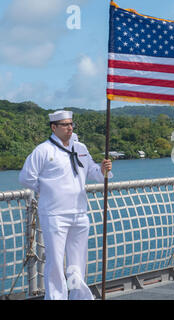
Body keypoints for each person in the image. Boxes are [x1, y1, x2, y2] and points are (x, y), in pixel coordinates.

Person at [19, 110, 112, 300]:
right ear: (54, 127)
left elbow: (93, 172)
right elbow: (26, 177)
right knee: (54, 261)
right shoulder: (43, 150)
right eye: (65, 124)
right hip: (54, 214)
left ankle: (79, 296)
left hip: (79, 213)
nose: (70, 127)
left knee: (77, 261)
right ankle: (56, 297)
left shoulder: (80, 148)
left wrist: (102, 169)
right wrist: (47, 190)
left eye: (71, 124)